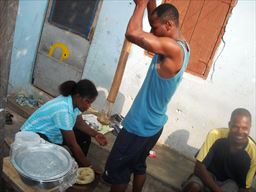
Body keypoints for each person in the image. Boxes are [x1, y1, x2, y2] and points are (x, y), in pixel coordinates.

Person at [102, 0, 190, 191]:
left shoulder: (172, 49)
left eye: (156, 28)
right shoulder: (182, 45)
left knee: (118, 172)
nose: (152, 32)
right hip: (154, 125)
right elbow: (154, 20)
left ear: (169, 25)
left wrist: (139, 5)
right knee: (138, 165)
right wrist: (149, 2)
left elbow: (132, 33)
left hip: (139, 127)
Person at [21, 79, 108, 168]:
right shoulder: (63, 110)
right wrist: (89, 166)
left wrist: (96, 134)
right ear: (78, 96)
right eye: (87, 101)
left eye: (91, 103)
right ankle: (82, 166)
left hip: (51, 133)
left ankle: (79, 166)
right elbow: (72, 144)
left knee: (84, 137)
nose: (89, 106)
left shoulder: (74, 102)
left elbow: (79, 123)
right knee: (51, 162)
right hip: (31, 136)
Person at [182, 108, 256, 192]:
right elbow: (199, 168)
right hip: (207, 175)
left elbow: (245, 187)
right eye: (235, 126)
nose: (239, 132)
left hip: (230, 185)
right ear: (229, 124)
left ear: (250, 127)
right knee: (193, 187)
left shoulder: (253, 153)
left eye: (244, 128)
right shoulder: (215, 135)